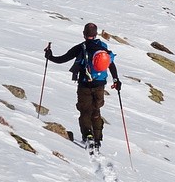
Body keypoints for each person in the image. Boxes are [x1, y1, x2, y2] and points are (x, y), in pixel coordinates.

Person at [45, 23, 121, 151]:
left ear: (84, 34)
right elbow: (111, 64)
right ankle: (97, 140)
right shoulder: (103, 48)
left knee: (85, 111)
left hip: (85, 84)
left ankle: (88, 136)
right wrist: (116, 79)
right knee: (96, 111)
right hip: (100, 84)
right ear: (95, 34)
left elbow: (62, 59)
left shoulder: (80, 48)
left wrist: (49, 56)